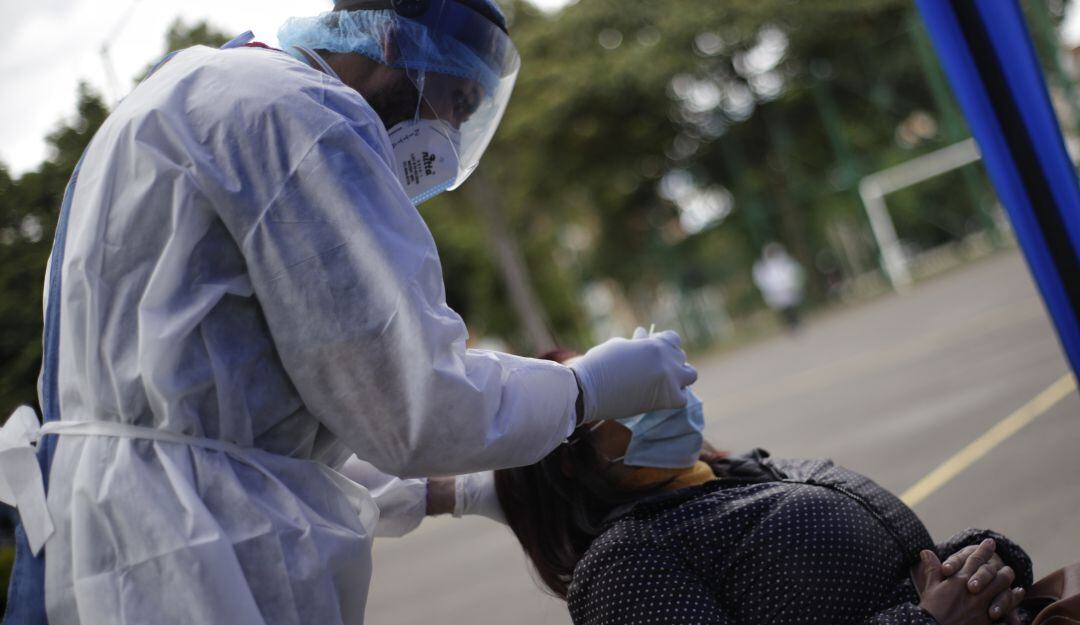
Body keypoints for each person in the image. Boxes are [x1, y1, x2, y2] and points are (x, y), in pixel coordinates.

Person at [0, 2, 698, 624]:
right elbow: (416, 404)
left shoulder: (201, 88)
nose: (448, 132)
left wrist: (458, 491)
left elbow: (256, 432)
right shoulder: (305, 119)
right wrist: (587, 387)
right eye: (453, 98)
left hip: (110, 528)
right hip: (188, 555)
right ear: (391, 39)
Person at [492, 351, 1034, 625]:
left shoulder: (738, 473)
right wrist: (925, 621)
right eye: (615, 391)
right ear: (569, 460)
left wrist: (982, 568)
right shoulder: (622, 567)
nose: (651, 387)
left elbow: (897, 573)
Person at [752, 241, 806, 330]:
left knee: (791, 307)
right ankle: (790, 324)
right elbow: (763, 280)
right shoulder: (765, 266)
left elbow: (792, 272)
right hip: (777, 291)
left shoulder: (785, 261)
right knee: (784, 309)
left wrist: (792, 284)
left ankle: (795, 322)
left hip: (788, 288)